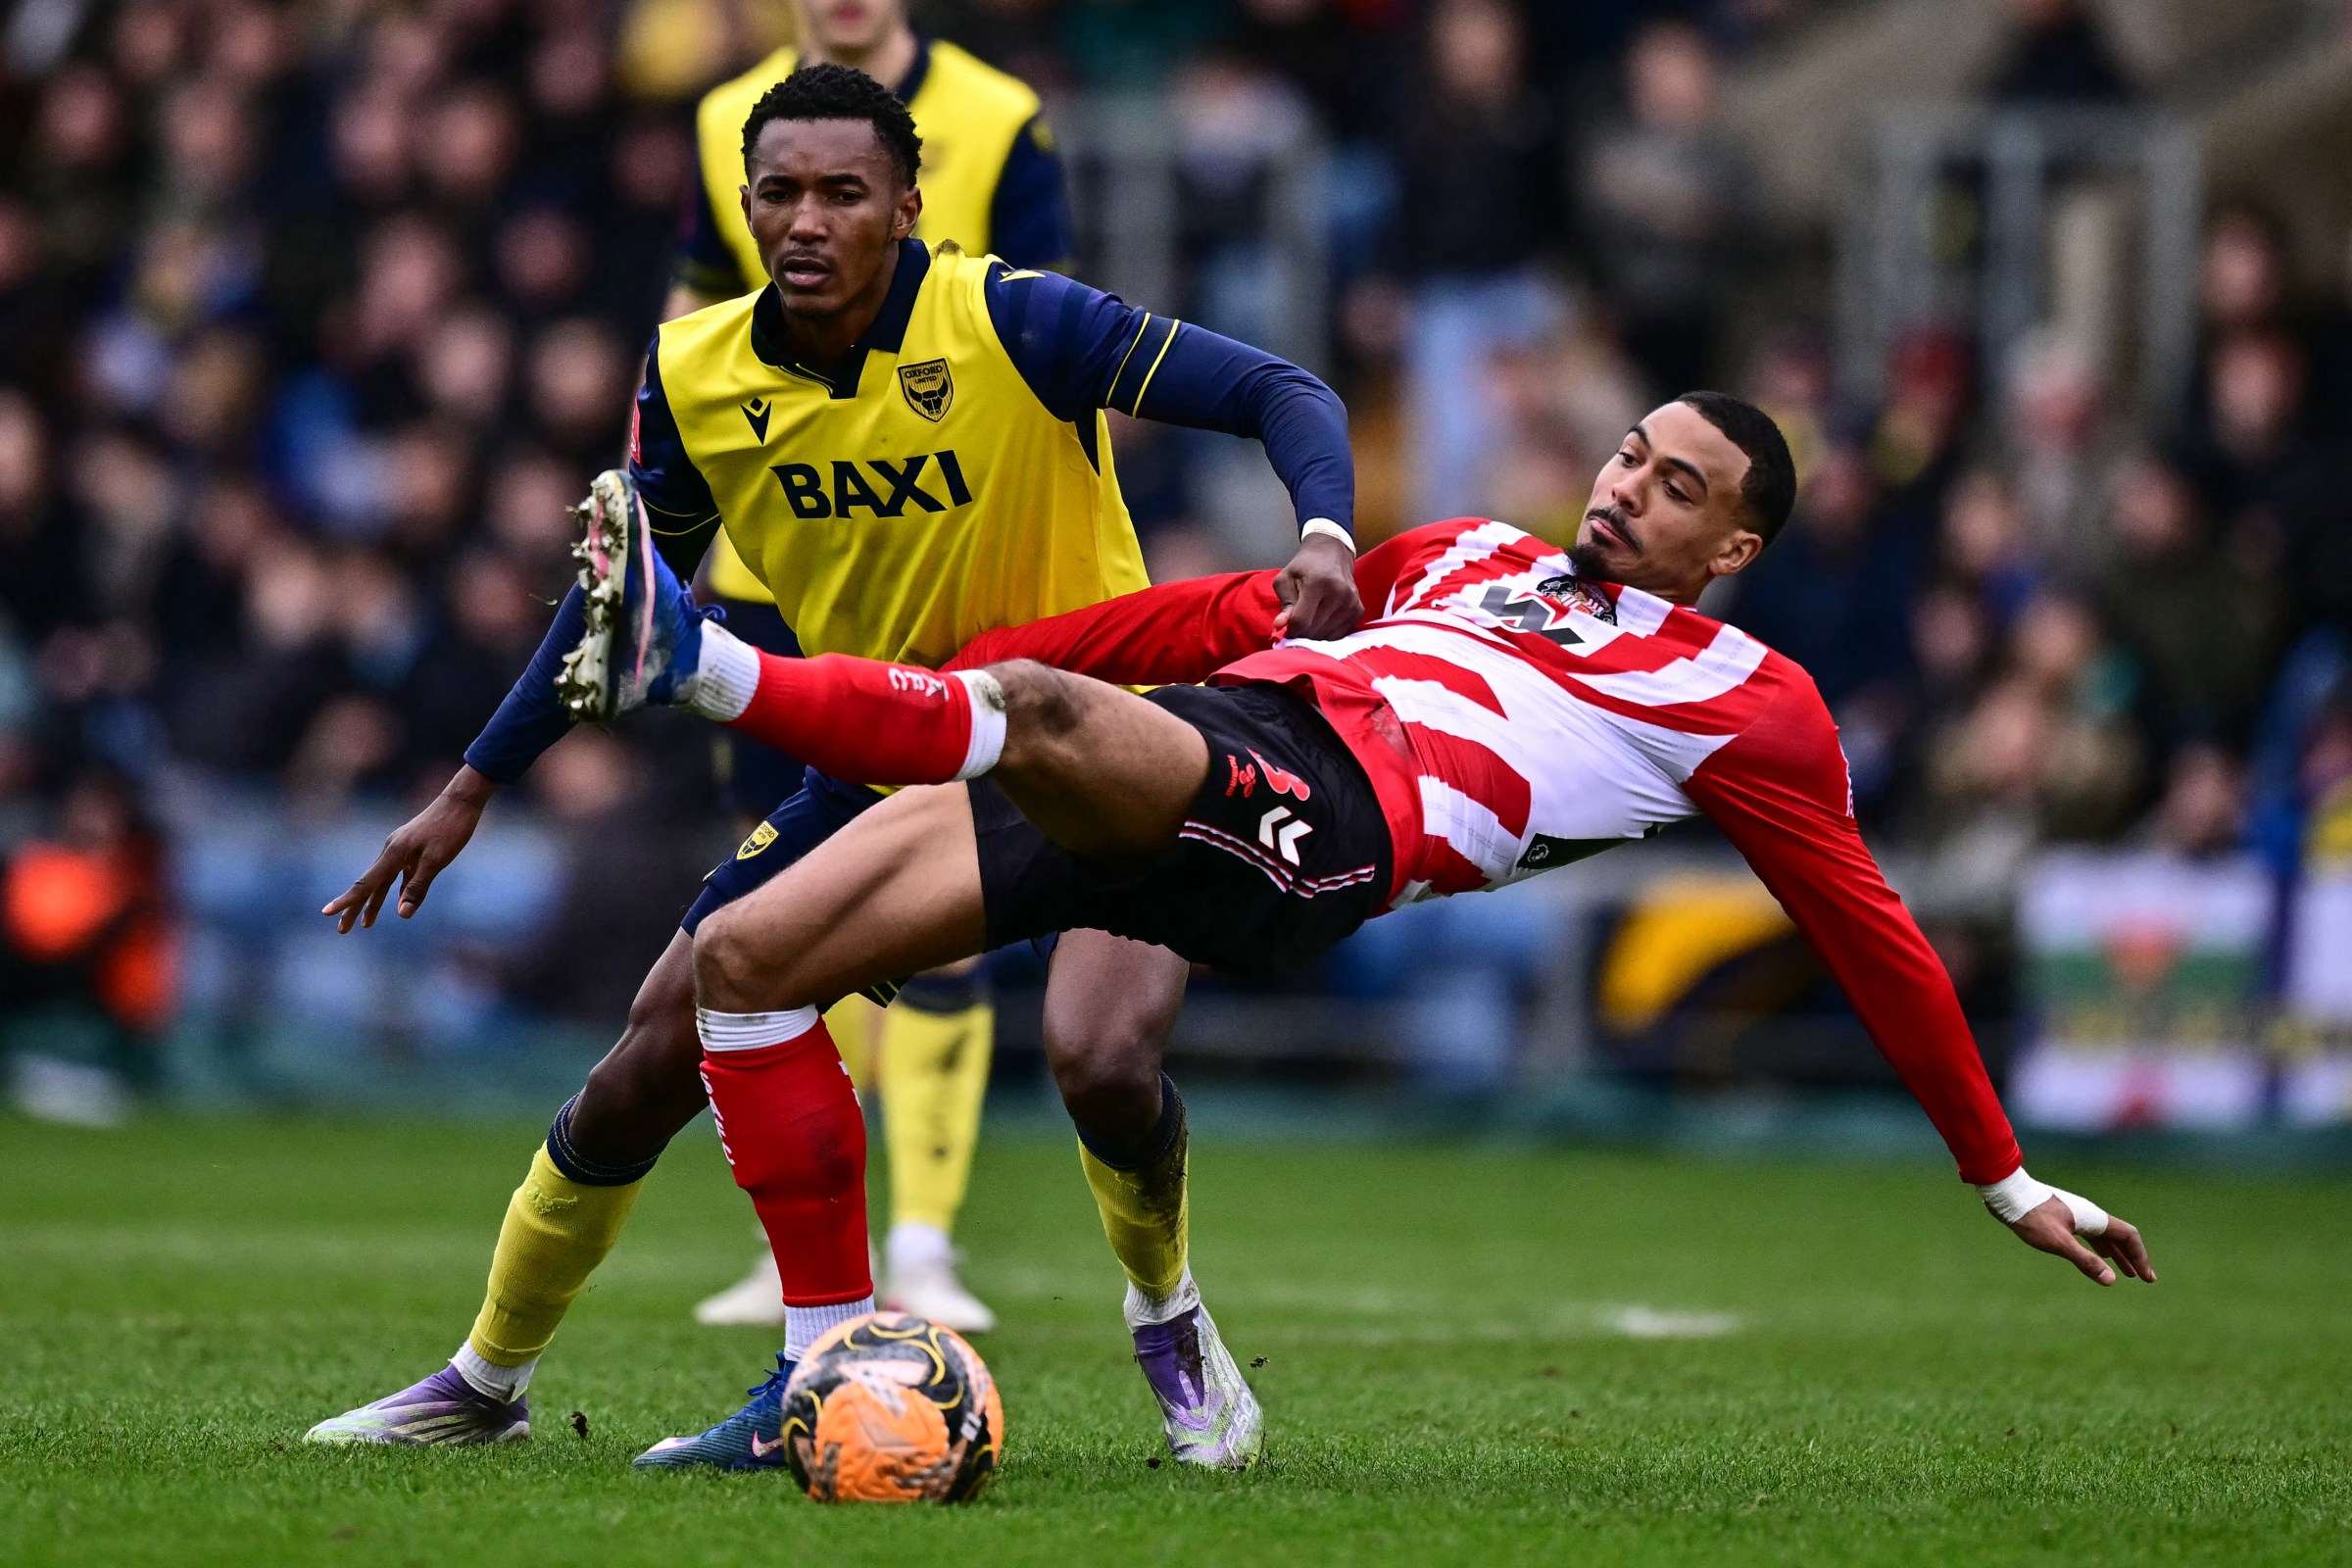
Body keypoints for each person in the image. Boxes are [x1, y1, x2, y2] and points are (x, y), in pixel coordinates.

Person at [569, 388, 2154, 1457]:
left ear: (1732, 550)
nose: (1628, 490)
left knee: (1041, 724)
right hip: (1216, 733)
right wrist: (995, 648)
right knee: (768, 970)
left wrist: (2002, 1176)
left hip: (1334, 822)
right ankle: (843, 1378)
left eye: (1680, 490)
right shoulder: (1462, 549)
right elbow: (1228, 620)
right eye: (1628, 456)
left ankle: (696, 661)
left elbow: (1869, 925)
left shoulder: (1755, 703)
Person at [304, 65, 1362, 1470]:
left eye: (842, 194)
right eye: (779, 192)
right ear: (742, 207)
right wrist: (476, 783)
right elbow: (620, 597)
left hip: (1104, 731)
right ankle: (491, 1379)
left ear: (905, 207)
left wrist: (1326, 535)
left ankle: (1165, 1312)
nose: (806, 221)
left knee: (1100, 1058)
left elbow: (1283, 390)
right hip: (884, 751)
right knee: (653, 1048)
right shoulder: (696, 373)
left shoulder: (1010, 318)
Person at [667, 0, 1077, 1338]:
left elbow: (1056, 341)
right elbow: (691, 313)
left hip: (947, 559)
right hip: (772, 573)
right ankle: (809, 1255)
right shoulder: (723, 116)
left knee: (942, 909)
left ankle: (926, 1241)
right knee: (784, 914)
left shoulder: (1002, 118)